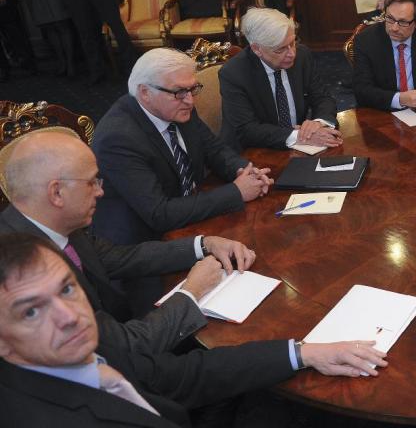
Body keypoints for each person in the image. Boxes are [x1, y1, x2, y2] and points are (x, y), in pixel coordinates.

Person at [0, 234, 398, 428]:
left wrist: (303, 352)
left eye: (67, 289)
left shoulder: (81, 341)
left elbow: (184, 375)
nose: (68, 316)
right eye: (32, 311)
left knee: (270, 408)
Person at [0, 129, 254, 351]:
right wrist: (192, 292)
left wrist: (204, 244)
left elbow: (121, 258)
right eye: (91, 183)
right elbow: (126, 347)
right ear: (56, 192)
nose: (101, 192)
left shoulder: (57, 223)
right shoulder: (19, 271)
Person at [92, 47, 273, 248]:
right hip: (145, 245)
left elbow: (213, 149)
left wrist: (244, 170)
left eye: (193, 89)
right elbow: (159, 213)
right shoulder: (118, 138)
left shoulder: (177, 106)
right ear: (145, 93)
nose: (190, 100)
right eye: (179, 92)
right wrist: (237, 192)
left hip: (190, 216)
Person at [219, 7, 341, 151]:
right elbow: (246, 130)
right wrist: (299, 136)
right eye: (280, 49)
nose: (292, 53)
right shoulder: (234, 73)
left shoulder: (303, 56)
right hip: (255, 154)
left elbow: (323, 98)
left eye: (293, 43)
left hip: (300, 150)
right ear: (257, 49)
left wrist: (318, 122)